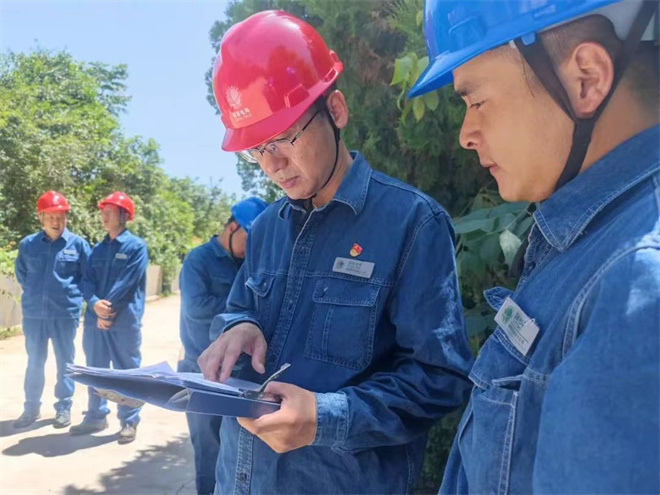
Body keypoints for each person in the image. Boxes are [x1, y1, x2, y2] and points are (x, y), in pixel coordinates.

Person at [197, 10, 474, 494]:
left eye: (284, 137)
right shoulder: (265, 229)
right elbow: (242, 307)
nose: (273, 165)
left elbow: (439, 378)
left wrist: (327, 417)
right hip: (239, 479)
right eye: (257, 149)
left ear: (337, 110)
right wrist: (237, 326)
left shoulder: (412, 224)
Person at [409, 0, 659, 492]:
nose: (465, 134)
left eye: (475, 100)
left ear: (586, 78)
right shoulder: (589, 245)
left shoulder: (635, 287)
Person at [179, 197, 267, 495]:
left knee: (239, 452)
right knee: (208, 451)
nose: (252, 248)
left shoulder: (250, 263)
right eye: (249, 239)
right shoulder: (198, 260)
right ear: (231, 227)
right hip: (201, 374)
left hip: (239, 375)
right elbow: (196, 307)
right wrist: (241, 311)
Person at [70, 191, 148, 444]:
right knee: (96, 370)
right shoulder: (98, 248)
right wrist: (94, 304)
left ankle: (129, 419)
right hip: (96, 322)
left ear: (124, 215)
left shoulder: (136, 247)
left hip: (124, 322)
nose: (103, 215)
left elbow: (127, 283)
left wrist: (107, 310)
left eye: (110, 211)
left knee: (126, 372)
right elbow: (87, 280)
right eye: (103, 211)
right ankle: (95, 416)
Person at [13, 191, 91, 429]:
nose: (56, 222)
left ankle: (64, 408)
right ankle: (31, 409)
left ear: (66, 218)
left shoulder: (78, 244)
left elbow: (86, 277)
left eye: (61, 217)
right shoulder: (29, 245)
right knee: (34, 361)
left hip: (65, 314)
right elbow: (22, 275)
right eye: (51, 217)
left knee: (65, 363)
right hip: (35, 314)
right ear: (41, 217)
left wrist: (72, 299)